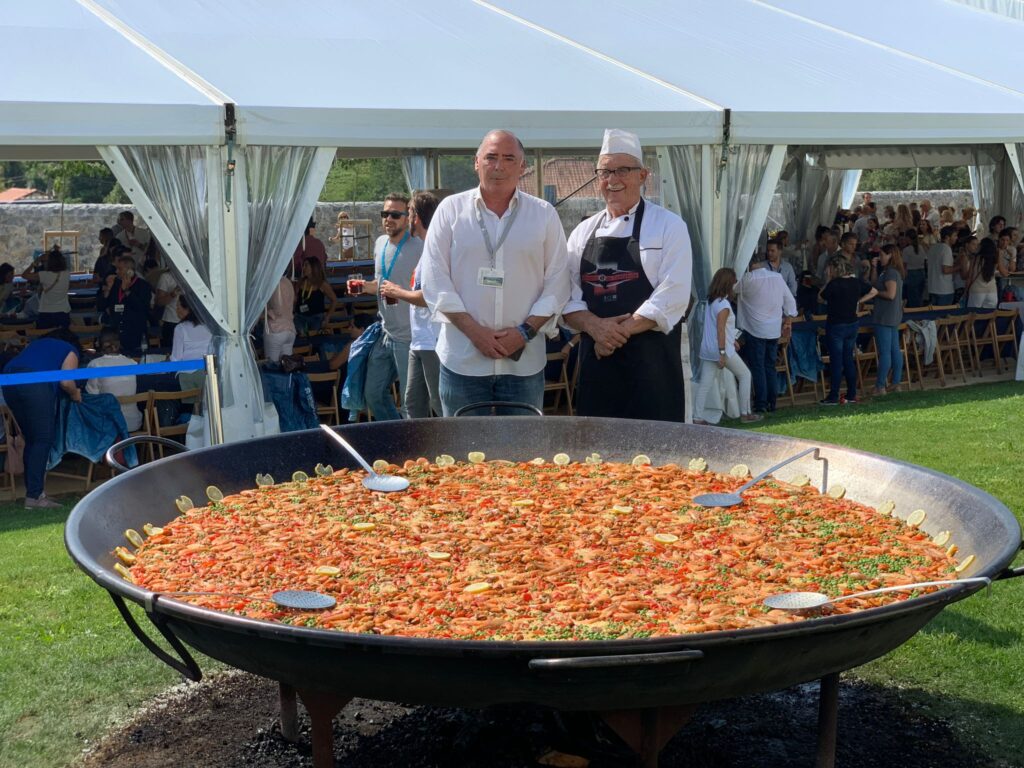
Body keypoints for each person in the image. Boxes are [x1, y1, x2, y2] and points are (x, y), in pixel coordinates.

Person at [421, 129, 570, 416]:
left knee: (524, 457)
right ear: (476, 163)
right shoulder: (450, 211)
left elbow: (558, 283)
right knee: (462, 456)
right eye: (490, 157)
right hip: (463, 360)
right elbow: (434, 279)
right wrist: (474, 332)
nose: (499, 166)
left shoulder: (544, 215)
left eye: (508, 158)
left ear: (522, 166)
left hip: (523, 362)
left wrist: (524, 332)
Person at [561, 129, 691, 421]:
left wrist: (616, 333)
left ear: (643, 176)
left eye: (623, 170)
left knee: (657, 460)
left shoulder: (669, 226)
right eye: (605, 171)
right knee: (597, 455)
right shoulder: (582, 232)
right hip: (597, 365)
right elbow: (566, 297)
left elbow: (674, 293)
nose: (613, 179)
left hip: (653, 367)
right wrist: (595, 327)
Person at [349, 193, 421, 420]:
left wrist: (399, 292)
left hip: (408, 336)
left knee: (410, 400)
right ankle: (396, 434)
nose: (388, 219)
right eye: (384, 214)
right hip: (385, 332)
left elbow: (429, 292)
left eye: (395, 215)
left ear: (407, 217)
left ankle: (413, 445)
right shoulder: (380, 244)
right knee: (373, 394)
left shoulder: (419, 247)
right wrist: (364, 287)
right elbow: (380, 285)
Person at [2, 328, 81, 508]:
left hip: (9, 379)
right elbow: (66, 382)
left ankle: (34, 494)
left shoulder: (36, 345)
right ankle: (35, 496)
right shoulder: (70, 349)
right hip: (35, 383)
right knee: (43, 439)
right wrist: (76, 394)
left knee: (31, 439)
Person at [380, 191, 442, 419]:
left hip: (433, 340)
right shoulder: (426, 248)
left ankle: (452, 449)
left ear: (416, 217)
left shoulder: (434, 250)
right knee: (413, 404)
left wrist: (398, 292)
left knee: (437, 402)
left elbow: (430, 297)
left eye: (408, 213)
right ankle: (419, 451)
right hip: (419, 340)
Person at [692, 268, 760, 425]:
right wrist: (722, 352)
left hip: (708, 349)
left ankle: (697, 416)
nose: (735, 285)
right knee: (745, 375)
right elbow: (721, 329)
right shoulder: (723, 305)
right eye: (734, 282)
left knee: (705, 383)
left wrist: (731, 341)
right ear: (728, 283)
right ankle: (745, 413)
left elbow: (721, 329)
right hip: (721, 349)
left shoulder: (711, 302)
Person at [736, 256, 796, 415]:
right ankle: (772, 402)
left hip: (755, 329)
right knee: (770, 366)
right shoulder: (777, 277)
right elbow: (790, 301)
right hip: (773, 329)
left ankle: (761, 403)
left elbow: (733, 288)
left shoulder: (748, 279)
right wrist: (788, 320)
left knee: (758, 367)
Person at [818, 256, 872, 406]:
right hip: (852, 323)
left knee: (836, 360)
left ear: (834, 268)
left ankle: (833, 395)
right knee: (848, 359)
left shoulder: (834, 284)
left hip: (836, 325)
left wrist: (828, 280)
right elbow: (873, 291)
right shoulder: (855, 282)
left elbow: (820, 298)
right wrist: (859, 301)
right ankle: (851, 394)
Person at [85, 329, 142, 432]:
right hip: (133, 423)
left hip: (108, 425)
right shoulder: (132, 363)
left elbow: (92, 397)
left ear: (100, 345)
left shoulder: (95, 364)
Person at [868, 245, 905, 396]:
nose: (880, 257)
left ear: (890, 255)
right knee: (894, 350)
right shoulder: (889, 272)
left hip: (884, 316)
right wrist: (873, 268)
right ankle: (895, 383)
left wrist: (876, 293)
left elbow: (890, 294)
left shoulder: (890, 272)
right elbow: (874, 283)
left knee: (885, 352)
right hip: (892, 316)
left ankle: (880, 385)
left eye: (882, 255)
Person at [98, 255, 153, 356]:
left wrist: (127, 291)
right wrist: (108, 290)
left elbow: (142, 308)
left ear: (129, 271)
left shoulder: (143, 286)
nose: (116, 272)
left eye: (119, 269)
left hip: (135, 333)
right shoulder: (116, 284)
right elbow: (103, 306)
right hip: (117, 333)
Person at [22, 247, 71, 329]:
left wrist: (36, 261)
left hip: (46, 311)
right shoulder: (67, 274)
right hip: (63, 311)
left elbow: (24, 275)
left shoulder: (44, 275)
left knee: (44, 336)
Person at [294, 257, 337, 336]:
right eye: (303, 265)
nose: (303, 268)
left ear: (313, 267)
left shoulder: (322, 284)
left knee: (315, 342)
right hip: (300, 317)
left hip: (316, 317)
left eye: (306, 265)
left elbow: (334, 300)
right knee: (301, 339)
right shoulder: (301, 282)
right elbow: (296, 299)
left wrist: (327, 317)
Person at [263, 271, 296, 363]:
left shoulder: (273, 284)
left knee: (272, 367)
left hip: (275, 329)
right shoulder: (287, 282)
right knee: (287, 367)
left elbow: (278, 310)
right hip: (290, 329)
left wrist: (266, 312)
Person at [926, 225, 959, 306]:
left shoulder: (933, 247)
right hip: (944, 289)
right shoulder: (946, 249)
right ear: (947, 237)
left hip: (932, 287)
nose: (957, 238)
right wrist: (960, 266)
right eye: (954, 235)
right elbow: (945, 270)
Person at [963, 239, 999, 309]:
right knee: (988, 316)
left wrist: (965, 291)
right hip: (992, 291)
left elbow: (970, 277)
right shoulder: (994, 260)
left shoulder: (976, 258)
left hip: (977, 290)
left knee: (972, 315)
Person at [154, 267, 180, 348]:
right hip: (171, 321)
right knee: (170, 350)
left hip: (191, 320)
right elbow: (159, 302)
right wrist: (172, 294)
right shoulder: (166, 277)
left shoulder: (193, 276)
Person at [901, 228, 927, 307]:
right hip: (921, 273)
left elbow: (904, 265)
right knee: (919, 296)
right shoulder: (921, 248)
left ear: (908, 238)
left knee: (912, 298)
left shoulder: (906, 250)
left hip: (911, 274)